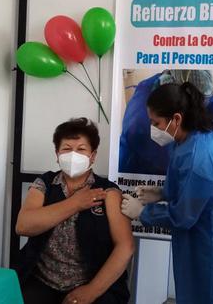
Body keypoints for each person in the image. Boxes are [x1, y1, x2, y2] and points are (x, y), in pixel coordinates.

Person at [120, 82, 213, 304]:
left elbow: (182, 216)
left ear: (176, 119)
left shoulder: (201, 157)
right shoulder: (201, 135)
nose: (154, 129)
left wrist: (143, 212)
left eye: (156, 123)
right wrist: (163, 192)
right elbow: (198, 185)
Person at [14, 118, 134, 304]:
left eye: (81, 149)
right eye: (67, 149)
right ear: (57, 153)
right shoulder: (44, 184)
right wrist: (76, 203)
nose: (73, 155)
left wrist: (91, 291)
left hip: (91, 282)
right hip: (42, 280)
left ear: (92, 156)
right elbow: (24, 225)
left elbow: (125, 247)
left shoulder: (107, 192)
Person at [118, 69, 213, 176]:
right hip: (137, 171)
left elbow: (205, 98)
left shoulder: (192, 81)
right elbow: (169, 166)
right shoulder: (140, 123)